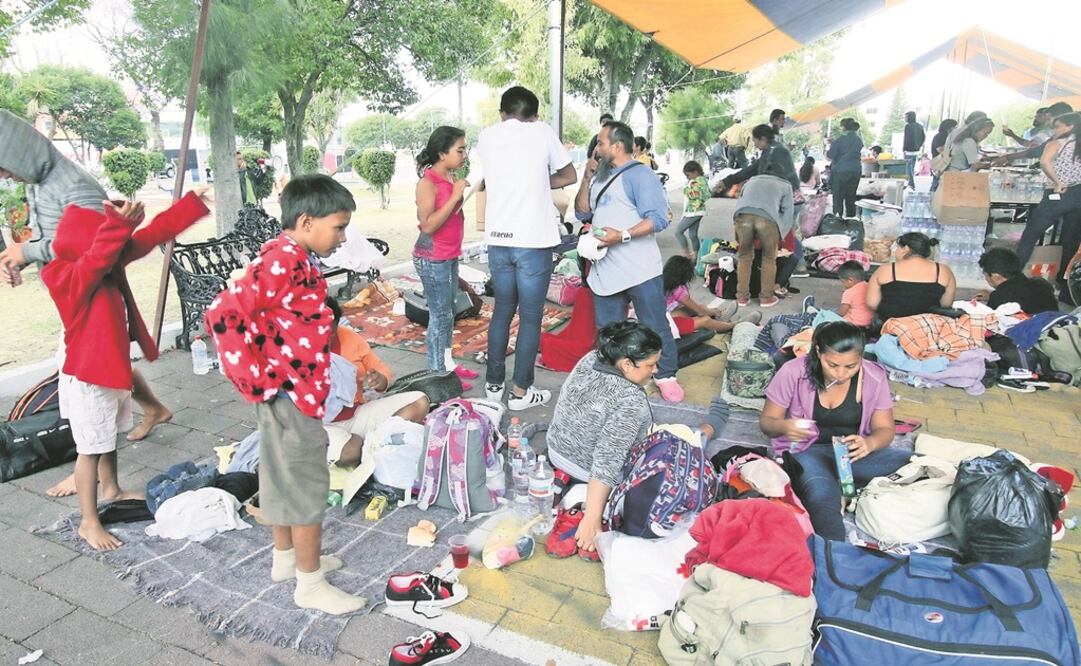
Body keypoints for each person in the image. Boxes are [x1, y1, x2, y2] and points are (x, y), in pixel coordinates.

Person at [206, 174, 367, 615]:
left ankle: (287, 559)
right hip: (290, 392)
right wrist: (254, 380)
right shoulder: (283, 261)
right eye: (338, 227)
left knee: (278, 476)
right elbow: (223, 314)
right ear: (307, 221)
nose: (343, 237)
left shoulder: (291, 257)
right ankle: (310, 584)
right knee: (306, 484)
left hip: (288, 391)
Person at [0, 109, 175, 498]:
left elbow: (95, 248)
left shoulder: (73, 184)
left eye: (4, 167)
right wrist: (17, 256)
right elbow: (64, 239)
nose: (5, 176)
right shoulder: (38, 181)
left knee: (94, 395)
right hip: (78, 299)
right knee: (104, 377)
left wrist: (28, 252)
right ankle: (102, 475)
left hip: (91, 298)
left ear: (19, 154)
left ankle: (91, 473)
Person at [41, 191, 210, 550]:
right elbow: (95, 260)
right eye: (114, 246)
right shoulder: (66, 276)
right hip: (88, 378)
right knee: (90, 449)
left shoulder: (108, 263)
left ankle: (112, 489)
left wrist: (191, 205)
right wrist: (118, 225)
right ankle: (88, 522)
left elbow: (150, 236)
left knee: (107, 438)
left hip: (108, 371)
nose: (122, 253)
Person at [546, 320, 730, 555]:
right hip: (586, 468)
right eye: (650, 365)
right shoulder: (630, 400)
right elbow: (607, 461)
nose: (655, 370)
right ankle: (708, 429)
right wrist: (592, 520)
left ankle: (572, 488)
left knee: (654, 432)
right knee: (681, 443)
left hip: (557, 450)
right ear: (626, 364)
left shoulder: (592, 359)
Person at [476, 86, 577, 410]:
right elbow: (569, 174)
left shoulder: (486, 136)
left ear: (502, 113)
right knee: (531, 317)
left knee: (502, 312)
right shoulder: (542, 132)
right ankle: (521, 393)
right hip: (533, 241)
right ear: (534, 116)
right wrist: (539, 182)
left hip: (499, 239)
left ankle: (493, 386)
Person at [760, 322, 908, 540]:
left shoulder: (873, 377)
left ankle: (841, 486)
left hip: (851, 455)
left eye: (851, 366)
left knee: (917, 465)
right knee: (822, 499)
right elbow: (767, 422)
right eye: (832, 365)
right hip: (807, 452)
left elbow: (885, 429)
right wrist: (784, 426)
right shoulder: (793, 372)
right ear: (818, 352)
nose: (841, 374)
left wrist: (870, 443)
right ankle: (834, 550)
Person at [573, 120, 683, 402]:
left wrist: (622, 235)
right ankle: (615, 380)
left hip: (640, 268)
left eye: (601, 143)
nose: (597, 148)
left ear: (617, 146)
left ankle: (665, 374)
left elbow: (658, 219)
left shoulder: (640, 175)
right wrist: (586, 177)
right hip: (605, 269)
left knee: (654, 323)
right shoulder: (599, 177)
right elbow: (583, 214)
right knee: (609, 331)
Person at [322, 297, 430, 469]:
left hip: (356, 414)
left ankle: (374, 443)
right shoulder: (290, 348)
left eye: (332, 332)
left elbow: (381, 370)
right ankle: (378, 445)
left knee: (419, 402)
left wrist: (380, 380)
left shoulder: (349, 337)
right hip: (320, 426)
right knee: (350, 453)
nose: (326, 338)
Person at [412, 126, 478, 388]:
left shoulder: (450, 177)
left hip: (448, 255)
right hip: (432, 258)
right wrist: (454, 196)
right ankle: (437, 376)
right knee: (440, 316)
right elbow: (428, 226)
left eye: (465, 149)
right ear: (442, 153)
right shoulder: (427, 183)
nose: (465, 154)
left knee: (448, 312)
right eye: (460, 150)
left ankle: (447, 364)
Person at [1015, 112, 1081, 276]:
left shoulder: (1056, 143)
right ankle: (1064, 279)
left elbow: (1044, 162)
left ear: (1070, 126)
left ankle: (1014, 273)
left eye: (1058, 126)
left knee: (1031, 234)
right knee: (1071, 240)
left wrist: (1057, 181)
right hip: (1078, 195)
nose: (1055, 130)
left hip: (1058, 194)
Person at [731, 171, 794, 308]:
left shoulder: (751, 180)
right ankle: (766, 298)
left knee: (744, 257)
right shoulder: (785, 185)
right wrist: (781, 234)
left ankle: (741, 298)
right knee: (769, 258)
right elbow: (788, 213)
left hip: (742, 216)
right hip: (767, 218)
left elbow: (741, 201)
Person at [866, 232, 956, 322]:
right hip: (927, 327)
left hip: (890, 326)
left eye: (898, 247)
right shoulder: (943, 271)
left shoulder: (885, 269)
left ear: (906, 248)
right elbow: (946, 305)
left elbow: (872, 303)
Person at [663, 256, 742, 334]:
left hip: (666, 317)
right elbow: (701, 312)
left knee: (701, 308)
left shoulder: (662, 281)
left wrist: (709, 311)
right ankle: (733, 325)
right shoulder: (678, 290)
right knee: (705, 320)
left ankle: (720, 319)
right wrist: (713, 312)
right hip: (667, 324)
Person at [716, 124, 799, 194]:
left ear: (762, 139)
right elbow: (753, 169)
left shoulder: (775, 151)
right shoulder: (772, 149)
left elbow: (756, 171)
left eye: (755, 141)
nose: (755, 145)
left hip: (789, 195)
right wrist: (727, 181)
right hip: (785, 191)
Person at [975, 247, 1059, 315]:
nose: (985, 278)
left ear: (995, 276)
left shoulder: (999, 298)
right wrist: (991, 296)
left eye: (985, 275)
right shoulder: (1042, 285)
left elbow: (989, 322)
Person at [827, 118, 864, 217]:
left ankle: (838, 221)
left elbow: (830, 155)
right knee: (851, 198)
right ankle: (851, 221)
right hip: (856, 171)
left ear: (843, 127)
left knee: (838, 198)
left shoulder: (839, 140)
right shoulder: (858, 140)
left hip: (841, 171)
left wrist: (830, 145)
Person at [674, 160, 709, 258]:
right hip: (696, 211)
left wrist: (686, 189)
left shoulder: (699, 181)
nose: (687, 178)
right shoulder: (700, 180)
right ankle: (695, 256)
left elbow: (698, 194)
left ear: (695, 172)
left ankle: (687, 254)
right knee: (693, 235)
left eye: (688, 175)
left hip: (694, 212)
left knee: (678, 232)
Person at [836, 261, 872, 327]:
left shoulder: (848, 292)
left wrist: (834, 315)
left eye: (843, 281)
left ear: (850, 280)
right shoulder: (870, 286)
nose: (843, 284)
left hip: (853, 324)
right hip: (869, 322)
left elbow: (843, 311)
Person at [903, 111, 926, 189]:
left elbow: (906, 139)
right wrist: (919, 145)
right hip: (917, 150)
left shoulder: (908, 126)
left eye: (906, 117)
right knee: (912, 166)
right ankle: (911, 182)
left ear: (909, 117)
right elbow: (923, 137)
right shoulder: (920, 126)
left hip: (909, 150)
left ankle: (911, 182)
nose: (905, 118)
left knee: (908, 167)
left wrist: (904, 148)